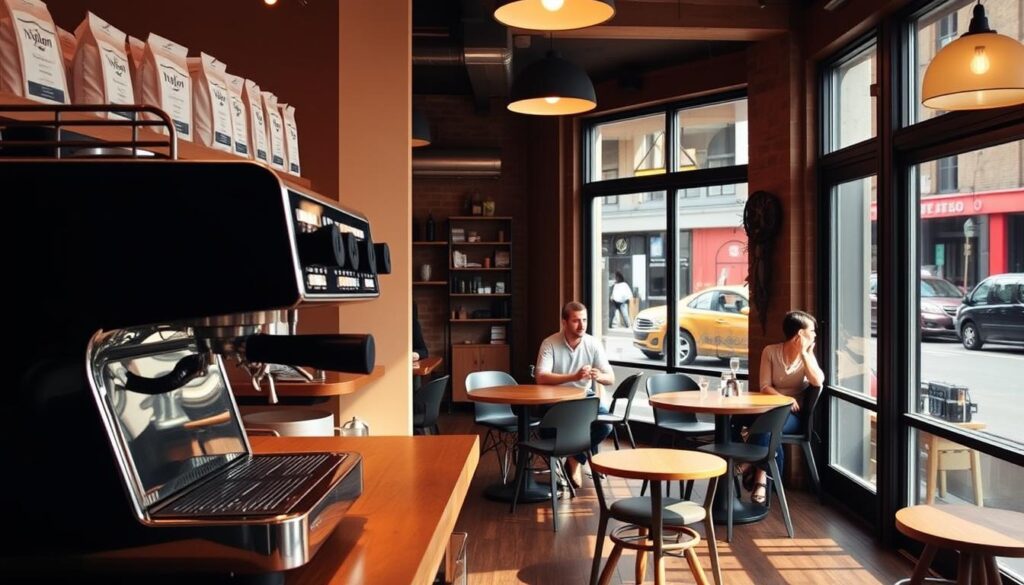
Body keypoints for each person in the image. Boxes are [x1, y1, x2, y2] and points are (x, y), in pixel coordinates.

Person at [739, 310, 825, 504]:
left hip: (794, 417)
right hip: (771, 410)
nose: (815, 335)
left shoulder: (808, 356)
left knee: (769, 426)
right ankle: (760, 476)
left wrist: (804, 353)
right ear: (800, 334)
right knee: (756, 424)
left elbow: (818, 381)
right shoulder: (771, 351)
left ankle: (752, 466)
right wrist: (784, 399)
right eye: (811, 330)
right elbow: (765, 386)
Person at [535, 301, 616, 487]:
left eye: (585, 320)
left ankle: (574, 459)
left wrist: (600, 376)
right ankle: (575, 459)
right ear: (564, 322)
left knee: (605, 426)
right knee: (552, 430)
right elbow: (540, 377)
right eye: (576, 321)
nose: (582, 325)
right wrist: (574, 376)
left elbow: (611, 378)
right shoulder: (549, 343)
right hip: (554, 402)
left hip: (583, 400)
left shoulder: (593, 344)